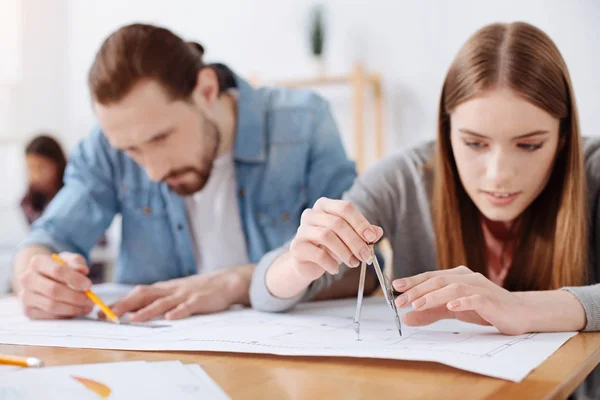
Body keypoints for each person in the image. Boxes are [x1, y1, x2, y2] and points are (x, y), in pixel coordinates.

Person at [250, 22, 599, 399]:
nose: (499, 174)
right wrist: (299, 264)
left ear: (564, 137)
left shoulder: (593, 170)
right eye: (475, 143)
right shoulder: (404, 177)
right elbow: (263, 292)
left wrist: (521, 308)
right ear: (446, 132)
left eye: (529, 145)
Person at [12, 23, 356, 323]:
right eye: (131, 151)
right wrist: (36, 278)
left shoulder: (304, 122)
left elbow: (359, 272)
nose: (155, 172)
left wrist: (237, 283)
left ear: (206, 90)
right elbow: (46, 239)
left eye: (160, 137)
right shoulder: (107, 144)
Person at [20, 135, 107, 284]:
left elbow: (100, 243)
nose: (36, 175)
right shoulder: (28, 202)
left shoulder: (76, 194)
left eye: (41, 167)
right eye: (31, 168)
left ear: (57, 164)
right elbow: (38, 239)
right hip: (51, 274)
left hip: (87, 272)